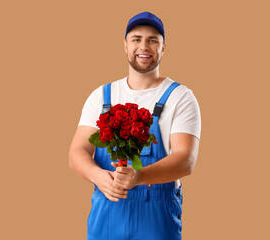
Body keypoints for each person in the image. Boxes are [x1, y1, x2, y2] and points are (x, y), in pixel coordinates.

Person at [69, 11, 201, 240]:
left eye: (152, 40)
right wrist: (97, 175)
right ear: (125, 45)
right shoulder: (101, 96)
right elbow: (77, 152)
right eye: (136, 39)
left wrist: (139, 177)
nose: (144, 46)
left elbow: (186, 160)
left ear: (163, 47)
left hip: (156, 217)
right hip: (106, 214)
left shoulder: (180, 97)